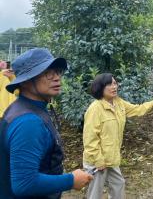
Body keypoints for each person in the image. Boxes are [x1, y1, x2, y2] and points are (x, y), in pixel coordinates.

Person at [0, 48, 93, 199]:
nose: (56, 77)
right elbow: (24, 184)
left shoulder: (24, 108)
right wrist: (71, 180)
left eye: (57, 71)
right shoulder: (28, 122)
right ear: (25, 81)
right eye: (47, 73)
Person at [83, 73, 153, 199]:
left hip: (112, 157)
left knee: (118, 185)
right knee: (95, 193)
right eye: (109, 84)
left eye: (115, 83)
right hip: (97, 160)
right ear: (100, 87)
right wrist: (98, 160)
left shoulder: (118, 103)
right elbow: (90, 138)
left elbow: (138, 109)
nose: (114, 87)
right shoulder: (95, 109)